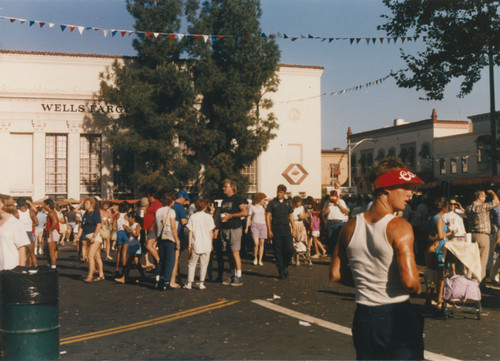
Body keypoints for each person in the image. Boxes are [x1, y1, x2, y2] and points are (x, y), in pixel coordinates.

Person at [330, 157, 424, 360]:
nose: (410, 193)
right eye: (405, 186)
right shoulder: (400, 227)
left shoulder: (350, 226)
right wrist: (419, 290)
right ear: (386, 188)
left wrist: (368, 284)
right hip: (397, 314)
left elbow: (336, 274)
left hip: (364, 315)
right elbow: (410, 283)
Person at [465, 189, 499, 283]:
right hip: (483, 236)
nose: (485, 197)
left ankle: (470, 282)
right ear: (480, 197)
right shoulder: (483, 207)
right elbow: (496, 202)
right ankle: (480, 283)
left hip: (472, 235)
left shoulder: (468, 208)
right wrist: (492, 193)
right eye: (484, 196)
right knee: (482, 262)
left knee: (473, 260)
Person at [220, 180, 248, 286]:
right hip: (225, 228)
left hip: (235, 228)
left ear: (232, 187)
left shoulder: (238, 198)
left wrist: (231, 216)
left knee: (235, 252)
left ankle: (239, 276)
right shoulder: (224, 200)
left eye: (225, 186)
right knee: (229, 254)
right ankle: (232, 275)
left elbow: (244, 212)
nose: (224, 188)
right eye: (223, 187)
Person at [184, 198, 215, 290]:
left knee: (191, 264)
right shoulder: (209, 217)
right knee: (204, 264)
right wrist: (211, 243)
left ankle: (189, 283)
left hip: (195, 243)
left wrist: (189, 244)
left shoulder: (193, 217)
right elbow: (211, 232)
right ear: (205, 206)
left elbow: (190, 232)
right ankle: (201, 283)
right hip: (206, 243)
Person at [265, 184, 295, 279]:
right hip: (275, 228)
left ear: (284, 193)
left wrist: (294, 228)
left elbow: (291, 216)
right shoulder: (272, 203)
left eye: (281, 192)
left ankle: (286, 265)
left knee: (290, 249)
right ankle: (281, 270)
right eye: (278, 192)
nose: (279, 194)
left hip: (286, 228)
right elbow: (268, 216)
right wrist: (269, 230)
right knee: (278, 250)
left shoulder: (287, 203)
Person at [429, 197, 453, 308]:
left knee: (433, 275)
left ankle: (431, 300)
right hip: (440, 248)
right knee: (440, 276)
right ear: (443, 207)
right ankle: (439, 300)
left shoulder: (433, 218)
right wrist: (450, 233)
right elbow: (440, 235)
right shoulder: (439, 219)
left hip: (434, 247)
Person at [154, 192, 180, 290]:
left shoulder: (158, 211)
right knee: (170, 260)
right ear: (171, 201)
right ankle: (166, 282)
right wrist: (177, 240)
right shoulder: (171, 211)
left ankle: (157, 279)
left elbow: (156, 225)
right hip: (169, 238)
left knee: (161, 259)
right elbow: (173, 227)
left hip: (160, 237)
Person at [77, 197, 104, 283]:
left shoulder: (95, 213)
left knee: (90, 256)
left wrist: (94, 236)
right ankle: (101, 274)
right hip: (89, 237)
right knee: (97, 257)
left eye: (86, 203)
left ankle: (90, 276)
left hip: (94, 237)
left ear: (91, 204)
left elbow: (99, 225)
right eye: (85, 203)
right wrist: (77, 237)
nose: (85, 205)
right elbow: (82, 227)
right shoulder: (85, 214)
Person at [0, 194, 30, 270]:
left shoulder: (16, 224)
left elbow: (22, 249)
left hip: (10, 268)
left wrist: (21, 270)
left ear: (5, 205)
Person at [114, 212, 144, 284]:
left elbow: (136, 235)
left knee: (129, 262)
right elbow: (129, 236)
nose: (127, 219)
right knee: (136, 262)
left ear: (132, 217)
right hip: (132, 245)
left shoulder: (137, 225)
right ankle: (143, 275)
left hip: (136, 245)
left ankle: (124, 277)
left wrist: (130, 229)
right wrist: (125, 230)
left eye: (128, 217)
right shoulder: (131, 225)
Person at [170, 190, 190, 288]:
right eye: (185, 199)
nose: (185, 202)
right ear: (181, 197)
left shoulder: (171, 205)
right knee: (176, 258)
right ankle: (175, 278)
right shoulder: (180, 208)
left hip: (167, 234)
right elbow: (184, 223)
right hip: (177, 234)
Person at [322, 190, 349, 255]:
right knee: (330, 242)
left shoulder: (341, 201)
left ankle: (338, 256)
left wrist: (338, 204)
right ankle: (332, 256)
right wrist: (328, 206)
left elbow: (346, 212)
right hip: (330, 223)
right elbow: (323, 214)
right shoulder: (327, 202)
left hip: (338, 223)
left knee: (338, 241)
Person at [245, 192, 267, 266]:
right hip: (254, 225)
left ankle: (260, 259)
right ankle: (255, 258)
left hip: (263, 225)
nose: (264, 201)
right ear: (259, 199)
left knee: (261, 243)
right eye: (263, 199)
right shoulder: (252, 206)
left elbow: (267, 216)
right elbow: (249, 217)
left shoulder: (263, 207)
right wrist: (246, 227)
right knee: (256, 243)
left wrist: (265, 207)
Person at [16, 198, 39, 266]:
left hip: (20, 234)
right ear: (25, 204)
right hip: (29, 233)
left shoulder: (16, 213)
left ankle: (21, 268)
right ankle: (34, 268)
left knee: (20, 254)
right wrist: (29, 224)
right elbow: (37, 223)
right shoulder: (31, 212)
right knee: (31, 254)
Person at [142, 192, 162, 270]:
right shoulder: (152, 204)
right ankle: (156, 265)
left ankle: (159, 261)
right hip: (149, 228)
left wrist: (152, 225)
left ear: (151, 196)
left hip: (153, 229)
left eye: (148, 197)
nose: (148, 199)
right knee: (153, 246)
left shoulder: (157, 204)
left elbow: (158, 216)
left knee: (149, 246)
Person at [43, 198, 60, 269]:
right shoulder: (51, 213)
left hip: (52, 233)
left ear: (48, 205)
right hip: (51, 232)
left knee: (51, 252)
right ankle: (50, 266)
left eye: (44, 205)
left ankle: (53, 268)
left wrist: (50, 230)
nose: (43, 207)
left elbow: (55, 222)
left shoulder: (51, 212)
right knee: (47, 251)